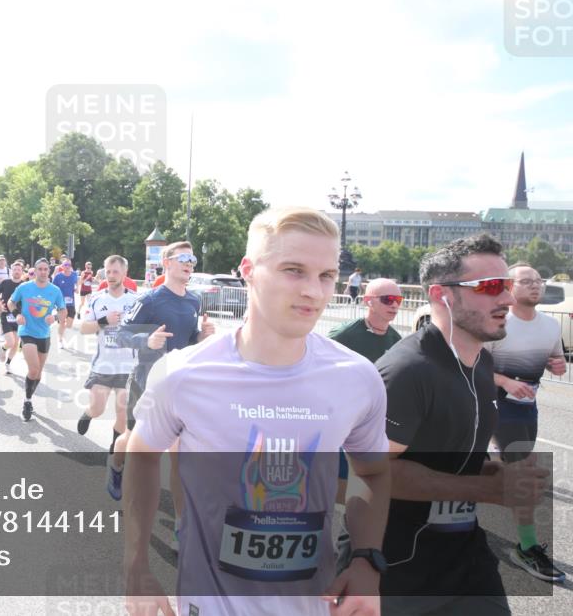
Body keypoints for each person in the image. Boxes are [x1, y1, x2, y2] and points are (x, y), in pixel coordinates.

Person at [123, 208, 391, 616]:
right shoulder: (184, 374)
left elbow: (372, 471)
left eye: (326, 275)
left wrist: (366, 559)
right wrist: (136, 565)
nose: (315, 292)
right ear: (248, 270)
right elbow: (141, 456)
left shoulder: (357, 378)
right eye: (294, 270)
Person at [375, 234, 548, 615]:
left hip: (466, 554)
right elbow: (367, 475)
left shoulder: (482, 363)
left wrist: (497, 472)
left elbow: (450, 453)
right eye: (489, 287)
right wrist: (489, 489)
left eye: (506, 286)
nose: (506, 298)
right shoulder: (406, 372)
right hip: (398, 566)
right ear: (442, 295)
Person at [113, 241, 215, 536]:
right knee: (134, 445)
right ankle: (116, 465)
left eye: (193, 258)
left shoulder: (194, 300)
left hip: (181, 389)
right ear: (167, 263)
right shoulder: (151, 300)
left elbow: (186, 339)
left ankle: (182, 528)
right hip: (147, 382)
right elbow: (121, 335)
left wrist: (201, 336)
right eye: (183, 258)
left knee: (180, 457)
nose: (190, 263)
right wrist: (147, 341)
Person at [487, 262, 566, 582]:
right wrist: (504, 382)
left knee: (509, 469)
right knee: (522, 474)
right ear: (509, 287)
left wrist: (555, 365)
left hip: (524, 410)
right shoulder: (495, 322)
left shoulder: (549, 326)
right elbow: (471, 365)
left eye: (539, 280)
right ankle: (527, 547)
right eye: (526, 281)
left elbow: (554, 358)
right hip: (487, 404)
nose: (536, 285)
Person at [329, 278, 404, 504]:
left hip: (375, 419)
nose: (395, 306)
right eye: (388, 300)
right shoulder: (345, 334)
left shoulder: (396, 339)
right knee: (340, 481)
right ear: (368, 302)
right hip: (344, 417)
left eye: (398, 300)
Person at [76, 255, 138, 498]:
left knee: (123, 412)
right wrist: (105, 321)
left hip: (127, 367)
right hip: (103, 366)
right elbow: (83, 328)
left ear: (124, 274)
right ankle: (88, 413)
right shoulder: (97, 299)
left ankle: (114, 452)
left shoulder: (135, 301)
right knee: (99, 408)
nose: (110, 275)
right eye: (108, 271)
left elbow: (146, 327)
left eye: (115, 272)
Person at [8, 258, 67, 422]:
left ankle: (29, 397)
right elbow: (11, 302)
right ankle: (27, 402)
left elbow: (63, 312)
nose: (43, 272)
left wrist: (54, 317)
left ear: (49, 271)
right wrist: (17, 314)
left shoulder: (55, 291)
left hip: (44, 335)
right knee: (33, 369)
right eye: (40, 269)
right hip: (27, 331)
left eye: (45, 269)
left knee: (38, 373)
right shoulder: (25, 287)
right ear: (34, 271)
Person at [0, 261, 25, 375]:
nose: (17, 271)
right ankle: (3, 348)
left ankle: (8, 363)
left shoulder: (24, 285)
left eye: (19, 270)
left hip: (19, 316)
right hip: (6, 314)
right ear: (11, 271)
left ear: (22, 272)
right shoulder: (5, 282)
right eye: (15, 269)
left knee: (16, 343)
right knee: (10, 341)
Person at [51, 257, 79, 349]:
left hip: (71, 303)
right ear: (62, 266)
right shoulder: (58, 276)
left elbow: (76, 282)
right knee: (62, 323)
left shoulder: (74, 274)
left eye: (69, 265)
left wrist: (76, 288)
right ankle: (60, 340)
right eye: (66, 265)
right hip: (61, 304)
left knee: (69, 324)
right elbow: (53, 288)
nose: (67, 266)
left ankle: (58, 321)